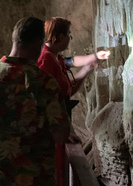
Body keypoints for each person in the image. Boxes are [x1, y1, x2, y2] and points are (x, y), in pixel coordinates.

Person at [0, 17, 70, 186]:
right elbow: (61, 134)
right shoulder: (44, 83)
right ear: (38, 43)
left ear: (14, 39)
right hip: (36, 179)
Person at [37, 17, 110, 186]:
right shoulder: (45, 61)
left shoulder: (56, 57)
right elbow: (47, 99)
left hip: (61, 123)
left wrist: (91, 62)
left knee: (60, 167)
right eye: (69, 34)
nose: (71, 37)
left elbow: (72, 65)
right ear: (60, 37)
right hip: (50, 128)